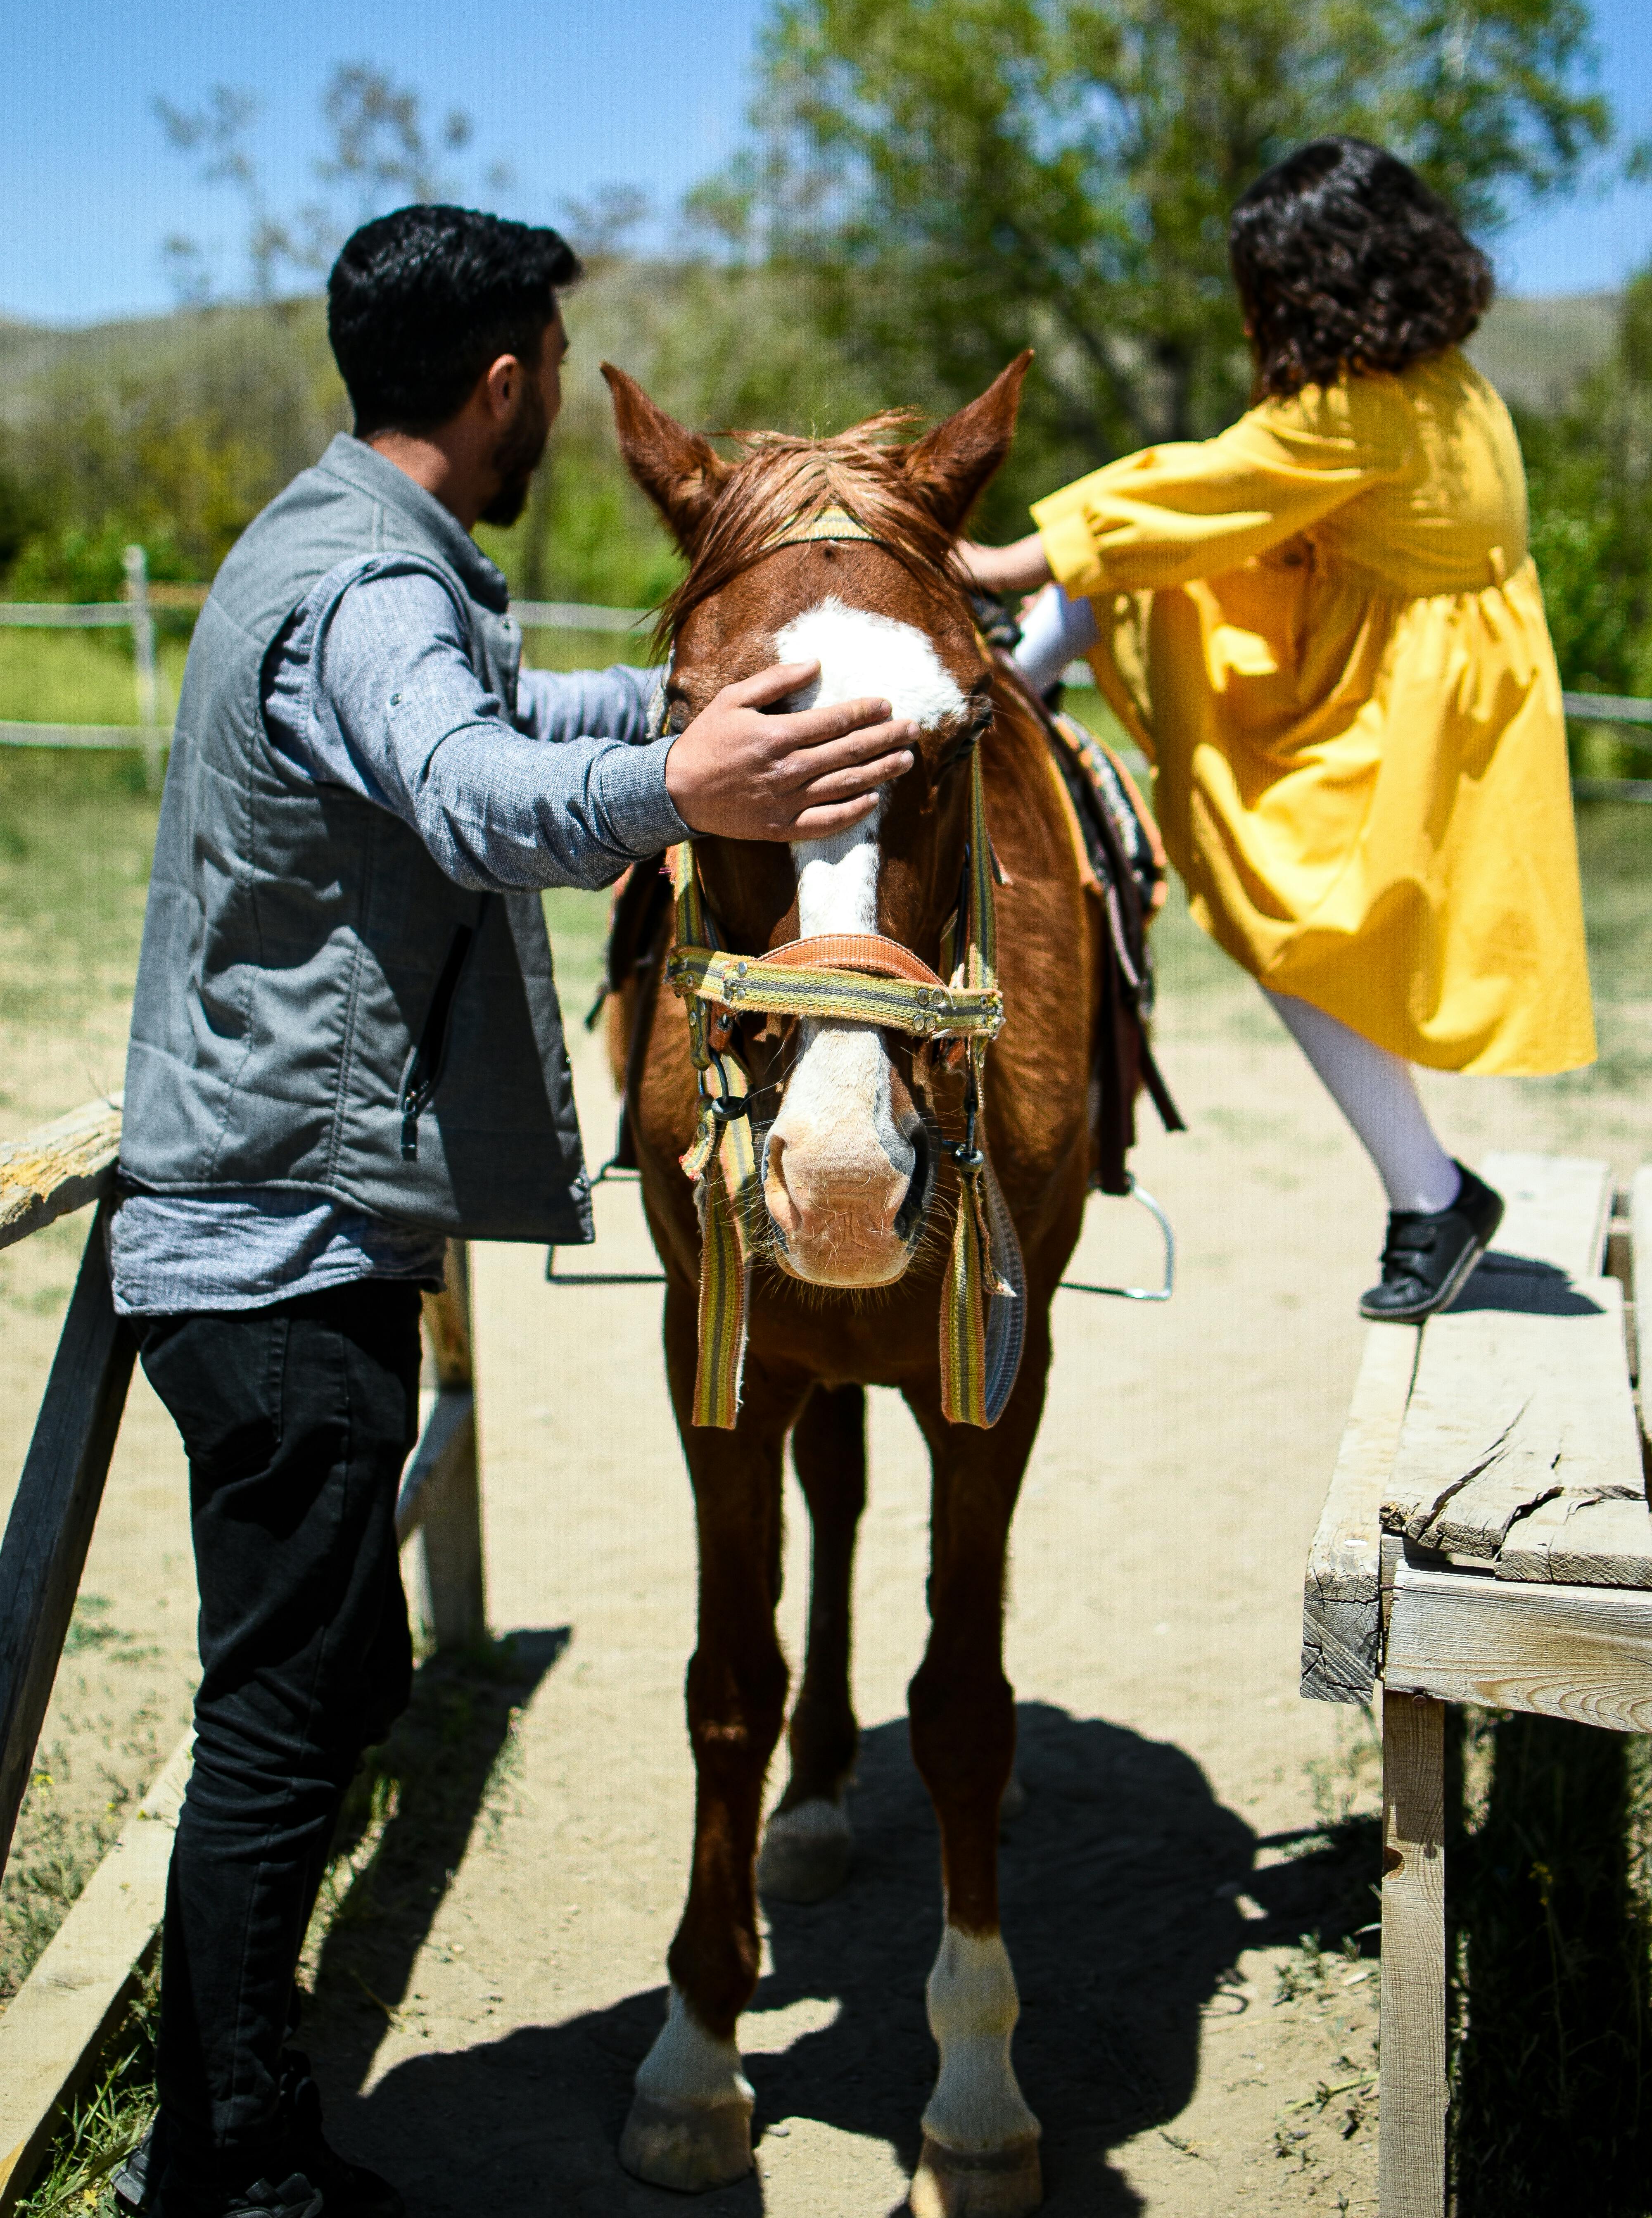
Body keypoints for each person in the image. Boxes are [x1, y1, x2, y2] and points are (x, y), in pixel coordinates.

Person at [108, 204, 921, 2218]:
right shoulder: (367, 590)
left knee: (331, 1690)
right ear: (503, 382)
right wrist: (689, 794)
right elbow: (474, 793)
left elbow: (507, 709)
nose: (557, 399)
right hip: (279, 1247)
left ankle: (222, 2125)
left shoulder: (354, 553)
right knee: (281, 1731)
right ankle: (230, 2167)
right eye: (552, 369)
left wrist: (704, 698)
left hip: (290, 1236)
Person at [960, 136, 1595, 1322]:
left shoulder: (1352, 412)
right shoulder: (1449, 381)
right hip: (1410, 650)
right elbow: (1210, 505)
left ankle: (1434, 1194)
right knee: (1150, 568)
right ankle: (1012, 690)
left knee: (1289, 920)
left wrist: (995, 562)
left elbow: (1200, 486)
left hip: (1398, 693)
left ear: (1312, 285)